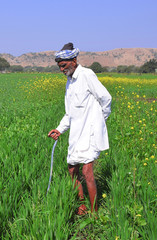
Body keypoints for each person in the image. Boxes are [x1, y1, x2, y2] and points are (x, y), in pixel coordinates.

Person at [48, 42, 112, 215]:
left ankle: (94, 211)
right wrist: (59, 129)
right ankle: (82, 205)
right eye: (59, 67)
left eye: (64, 65)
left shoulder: (86, 75)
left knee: (87, 171)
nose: (62, 70)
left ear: (74, 60)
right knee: (72, 169)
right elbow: (69, 112)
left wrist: (99, 121)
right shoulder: (70, 82)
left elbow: (106, 99)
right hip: (76, 133)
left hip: (90, 132)